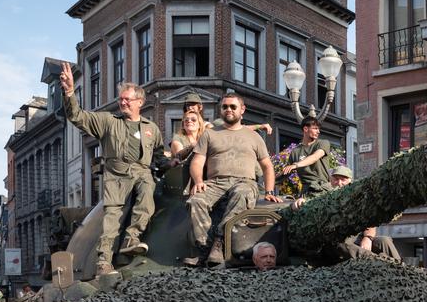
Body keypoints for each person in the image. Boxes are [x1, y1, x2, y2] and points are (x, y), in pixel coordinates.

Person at [60, 62, 173, 276]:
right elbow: (78, 117)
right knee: (112, 218)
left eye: (127, 99)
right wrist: (69, 92)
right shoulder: (108, 122)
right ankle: (104, 262)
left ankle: (132, 239)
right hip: (116, 175)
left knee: (147, 196)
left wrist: (171, 163)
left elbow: (158, 158)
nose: (122, 102)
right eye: (120, 99)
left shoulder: (151, 129)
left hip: (142, 172)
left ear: (140, 102)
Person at [184, 92, 282, 267]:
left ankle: (219, 242)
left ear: (242, 110)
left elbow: (267, 166)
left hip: (244, 182)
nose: (228, 110)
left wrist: (268, 191)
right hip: (215, 183)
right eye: (225, 107)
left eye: (233, 106)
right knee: (195, 201)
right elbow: (197, 161)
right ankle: (204, 250)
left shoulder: (254, 137)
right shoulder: (210, 134)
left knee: (241, 193)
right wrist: (198, 181)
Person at [292, 166, 401, 261]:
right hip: (336, 241)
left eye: (343, 179)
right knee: (342, 245)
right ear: (330, 180)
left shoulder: (358, 196)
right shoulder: (324, 194)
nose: (339, 183)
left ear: (350, 181)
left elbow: (370, 220)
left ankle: (401, 268)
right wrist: (301, 202)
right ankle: (380, 263)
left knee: (384, 241)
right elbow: (310, 200)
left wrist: (368, 238)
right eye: (335, 179)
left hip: (357, 238)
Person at [282, 117, 332, 196]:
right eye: (315, 128)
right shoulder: (295, 151)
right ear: (305, 129)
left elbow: (315, 157)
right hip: (306, 192)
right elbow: (286, 172)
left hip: (322, 189)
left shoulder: (323, 143)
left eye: (318, 129)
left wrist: (296, 165)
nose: (318, 132)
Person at [183, 92, 272, 134]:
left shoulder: (209, 126)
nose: (190, 107)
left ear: (200, 107)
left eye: (193, 104)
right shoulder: (182, 127)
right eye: (188, 105)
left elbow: (237, 129)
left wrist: (259, 126)